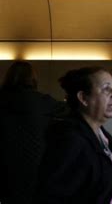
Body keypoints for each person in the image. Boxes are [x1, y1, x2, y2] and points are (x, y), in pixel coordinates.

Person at [36, 66, 112, 204]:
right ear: (83, 98)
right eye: (106, 88)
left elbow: (94, 174)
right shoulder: (69, 139)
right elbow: (52, 195)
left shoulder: (101, 133)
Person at [0, 61, 67, 204]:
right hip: (34, 169)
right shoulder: (43, 102)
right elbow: (71, 111)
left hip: (5, 170)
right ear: (33, 79)